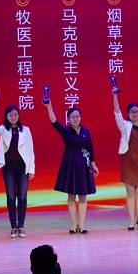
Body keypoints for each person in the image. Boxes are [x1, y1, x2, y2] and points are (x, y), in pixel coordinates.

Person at [43, 99, 98, 233]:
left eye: (77, 116)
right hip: (70, 164)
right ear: (68, 119)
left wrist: (93, 165)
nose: (75, 119)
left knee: (83, 195)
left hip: (83, 165)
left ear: (80, 117)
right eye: (72, 117)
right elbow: (54, 122)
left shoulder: (86, 131)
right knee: (71, 195)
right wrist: (49, 106)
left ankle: (82, 224)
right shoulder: (66, 131)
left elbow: (90, 148)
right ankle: (74, 225)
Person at [0, 103, 35, 238]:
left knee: (22, 197)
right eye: (10, 115)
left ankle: (21, 226)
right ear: (6, 116)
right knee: (10, 197)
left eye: (15, 114)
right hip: (8, 167)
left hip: (22, 167)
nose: (13, 117)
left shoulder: (25, 130)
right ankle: (13, 227)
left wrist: (31, 168)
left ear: (18, 115)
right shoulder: (3, 129)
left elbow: (30, 150)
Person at [112, 88, 138, 230]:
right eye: (132, 112)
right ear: (128, 114)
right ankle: (131, 221)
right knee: (130, 192)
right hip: (128, 162)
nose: (135, 114)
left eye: (137, 111)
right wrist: (114, 96)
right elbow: (117, 112)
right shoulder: (124, 126)